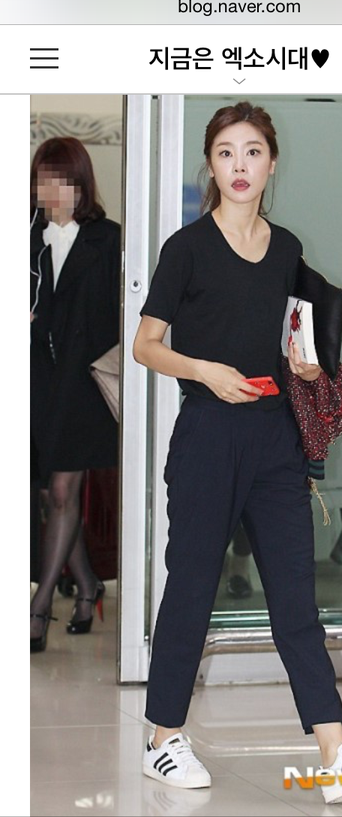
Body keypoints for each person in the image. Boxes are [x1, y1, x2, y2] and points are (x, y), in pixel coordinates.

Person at [133, 101, 342, 804]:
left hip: (275, 439)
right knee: (192, 587)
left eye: (252, 151)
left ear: (272, 162)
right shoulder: (187, 249)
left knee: (295, 598)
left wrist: (306, 366)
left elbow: (290, 338)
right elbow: (145, 344)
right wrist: (203, 371)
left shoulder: (285, 249)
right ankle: (162, 739)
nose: (240, 166)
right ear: (210, 163)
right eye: (226, 152)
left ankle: (336, 755)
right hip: (208, 435)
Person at [30, 137, 121, 652]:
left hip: (83, 386)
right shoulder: (26, 236)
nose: (52, 190)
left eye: (62, 180)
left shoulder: (108, 239)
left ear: (81, 184)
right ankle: (87, 586)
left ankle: (40, 605)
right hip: (37, 381)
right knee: (49, 495)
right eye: (43, 179)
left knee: (63, 492)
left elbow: (120, 312)